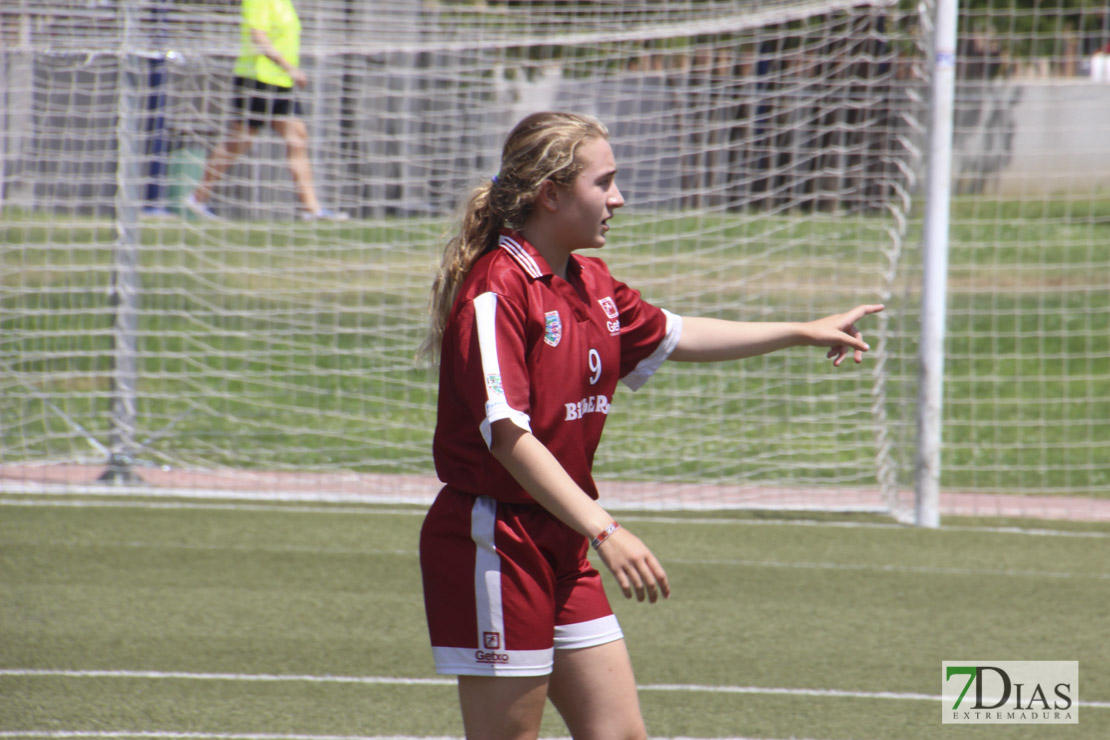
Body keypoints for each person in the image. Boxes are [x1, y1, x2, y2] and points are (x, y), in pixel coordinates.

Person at [418, 111, 883, 739]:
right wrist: (605, 530)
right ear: (551, 194)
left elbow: (676, 333)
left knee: (620, 734)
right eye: (603, 182)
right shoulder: (498, 290)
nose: (619, 198)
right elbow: (507, 436)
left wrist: (800, 331)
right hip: (496, 541)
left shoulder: (590, 282)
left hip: (560, 535)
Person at [183, 0, 347, 222]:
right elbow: (258, 38)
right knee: (239, 142)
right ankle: (198, 198)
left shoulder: (285, 3)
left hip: (281, 83)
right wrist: (289, 67)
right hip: (256, 79)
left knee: (297, 138)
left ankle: (312, 208)